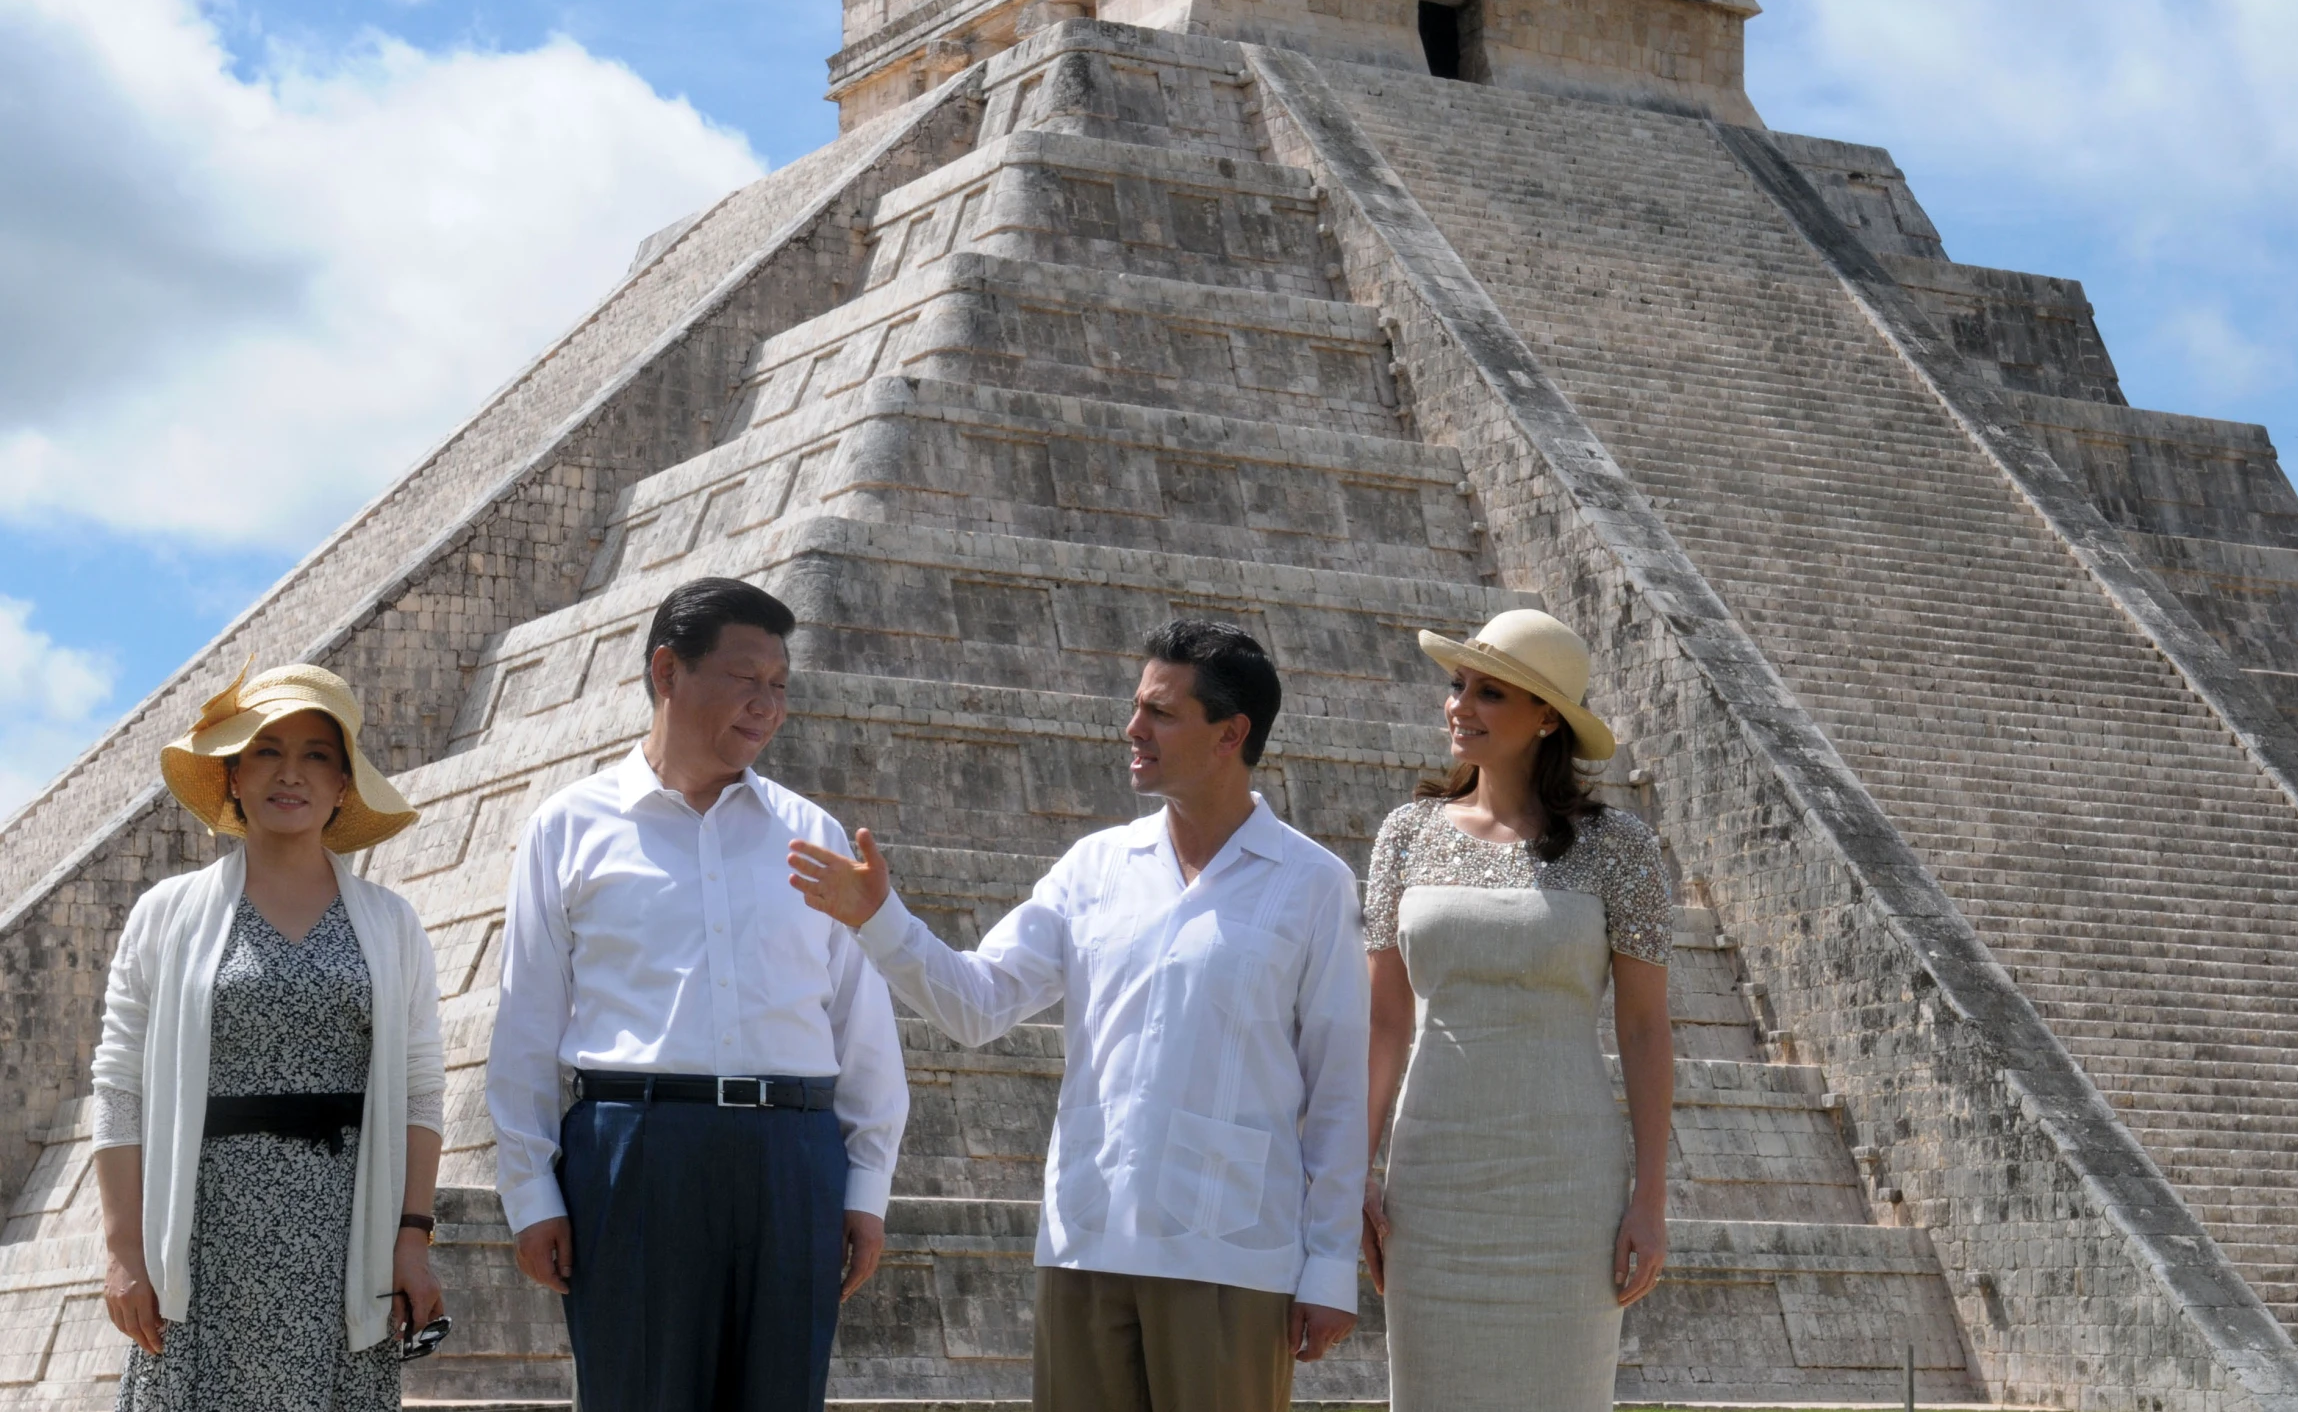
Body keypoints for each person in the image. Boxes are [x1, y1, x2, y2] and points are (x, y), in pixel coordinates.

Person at [790, 619, 1367, 1412]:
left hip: (1230, 1254)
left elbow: (1338, 1088)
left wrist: (1331, 1264)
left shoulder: (1311, 883)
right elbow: (977, 1004)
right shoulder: (1095, 867)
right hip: (1085, 1244)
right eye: (1136, 705)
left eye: (1161, 712)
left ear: (1230, 733)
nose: (1132, 728)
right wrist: (879, 917)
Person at [486, 576, 907, 1412]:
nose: (766, 704)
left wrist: (865, 1188)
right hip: (634, 1155)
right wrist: (530, 1192)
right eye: (745, 679)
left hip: (793, 1158)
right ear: (668, 671)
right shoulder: (569, 826)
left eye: (780, 686)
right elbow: (526, 1022)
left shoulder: (814, 835)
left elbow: (860, 1022)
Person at [95, 662, 446, 1411]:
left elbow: (419, 1089)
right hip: (200, 1232)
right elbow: (121, 1085)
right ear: (231, 775)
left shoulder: (391, 924)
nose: (292, 773)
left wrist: (412, 1239)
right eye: (265, 749)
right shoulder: (166, 914)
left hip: (346, 1233)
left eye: (317, 754)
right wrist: (124, 1249)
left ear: (345, 782)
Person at [1361, 609, 1674, 1411]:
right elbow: (1382, 1022)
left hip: (1567, 1186)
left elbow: (1642, 1031)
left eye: (1489, 692)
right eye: (1458, 685)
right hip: (1432, 1180)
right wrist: (1350, 1170)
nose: (1460, 705)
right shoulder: (1404, 835)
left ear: (1546, 720)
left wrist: (1649, 1198)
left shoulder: (1621, 846)